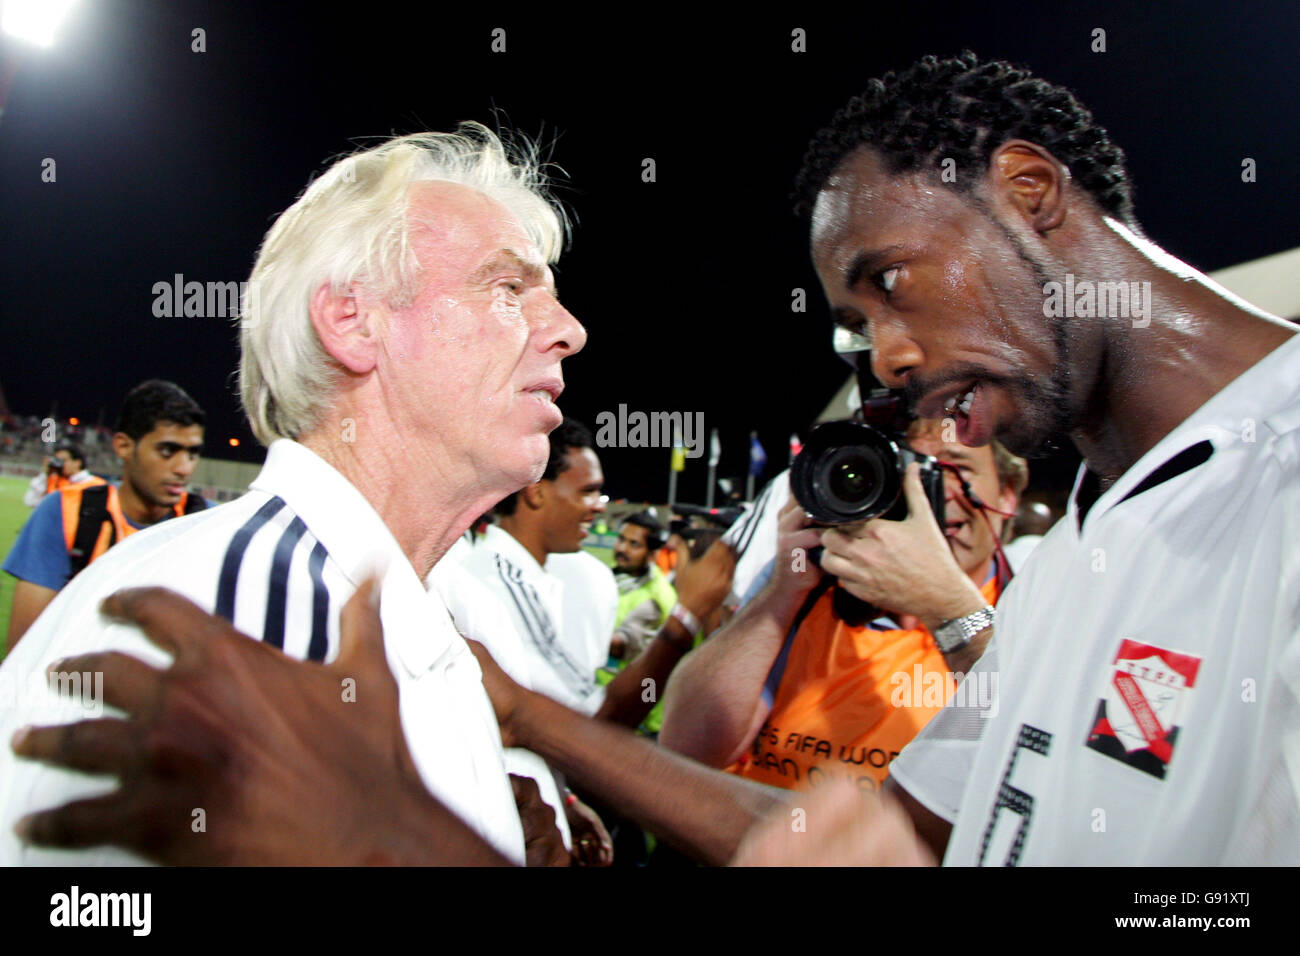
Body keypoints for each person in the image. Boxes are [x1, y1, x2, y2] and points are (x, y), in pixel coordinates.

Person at [14, 52, 1298, 866]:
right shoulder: (238, 608)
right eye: (511, 285)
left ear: (1028, 190)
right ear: (351, 321)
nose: (883, 358)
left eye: (886, 283)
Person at [0, 124, 591, 865]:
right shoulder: (238, 624)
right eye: (509, 288)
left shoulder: (421, 605)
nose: (569, 330)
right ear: (351, 320)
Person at [658, 418, 1026, 794]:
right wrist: (781, 593)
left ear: (1007, 493)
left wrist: (945, 606)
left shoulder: (1029, 607)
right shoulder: (810, 588)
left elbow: (1032, 755)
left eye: (954, 468)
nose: (924, 491)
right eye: (907, 469)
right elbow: (687, 751)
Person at [4, 382, 208, 648]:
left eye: (193, 453)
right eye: (167, 451)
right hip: (76, 684)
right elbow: (24, 652)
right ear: (123, 446)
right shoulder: (65, 512)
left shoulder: (207, 522)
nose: (184, 468)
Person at [608, 510, 676, 663]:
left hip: (622, 683)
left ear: (652, 554)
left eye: (634, 544)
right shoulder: (610, 576)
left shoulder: (656, 596)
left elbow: (622, 644)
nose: (622, 548)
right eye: (621, 539)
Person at [22, 442, 102, 508]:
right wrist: (45, 475)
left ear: (77, 463)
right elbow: (30, 502)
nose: (60, 464)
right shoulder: (55, 481)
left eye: (64, 460)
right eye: (57, 460)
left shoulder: (94, 484)